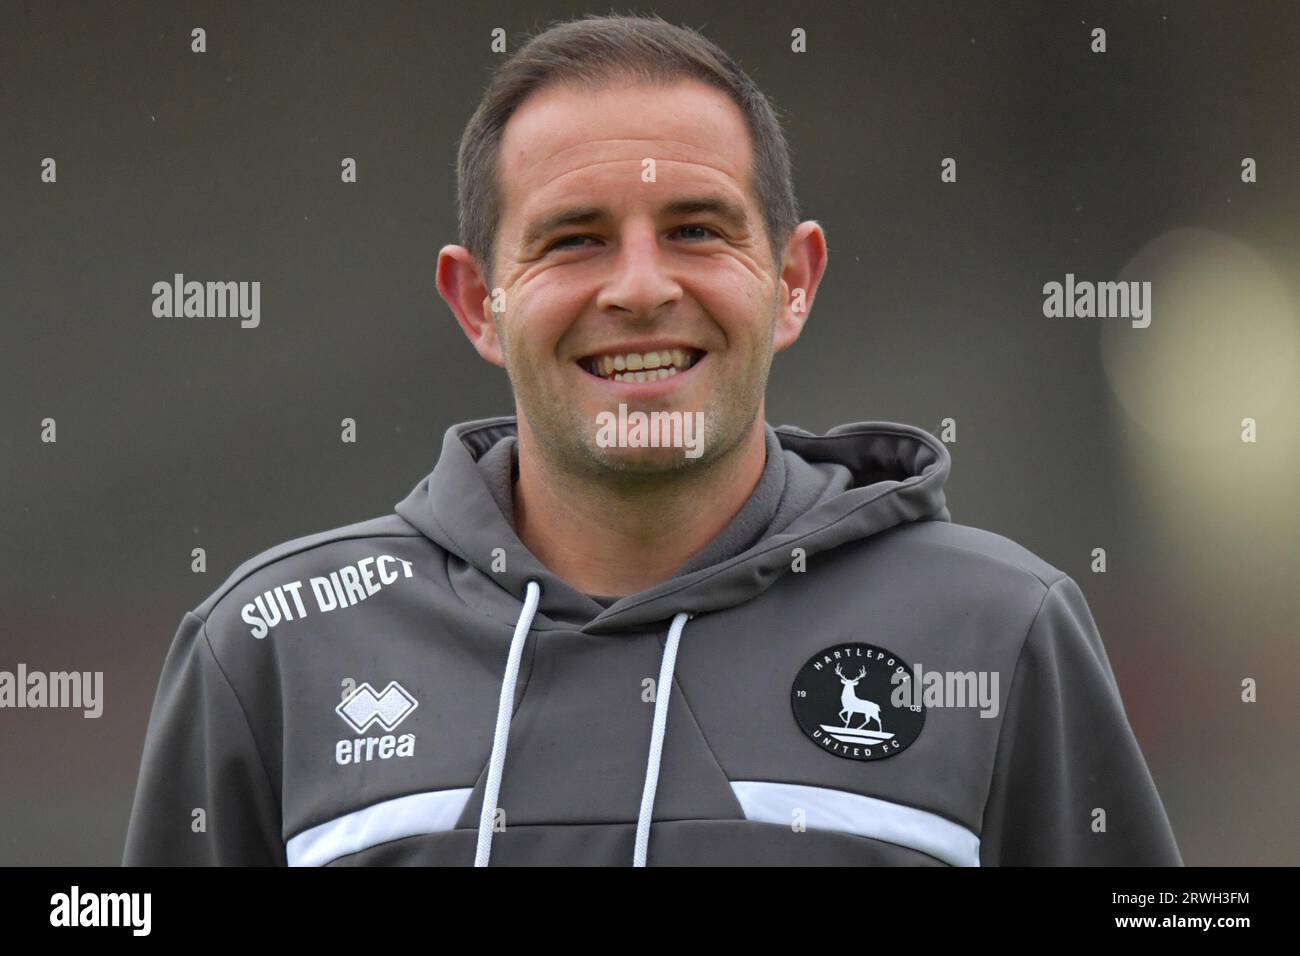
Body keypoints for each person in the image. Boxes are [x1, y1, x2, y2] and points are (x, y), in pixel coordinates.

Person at [123, 14, 1182, 866]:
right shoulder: (269, 644)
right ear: (478, 302)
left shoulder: (998, 629)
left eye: (696, 229)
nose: (638, 287)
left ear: (793, 282)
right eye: (573, 239)